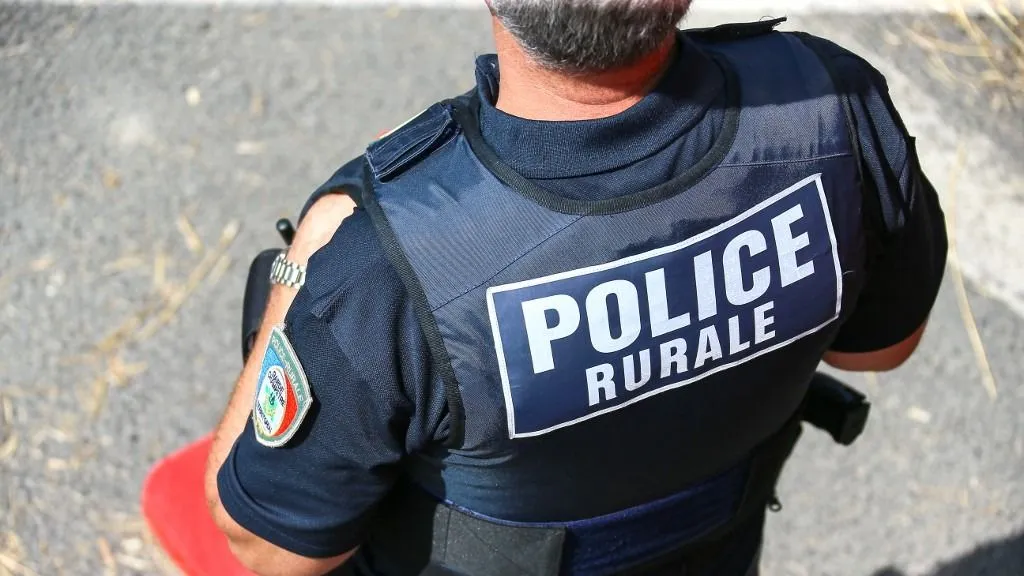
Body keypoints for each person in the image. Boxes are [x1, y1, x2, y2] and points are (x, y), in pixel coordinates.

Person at [203, 1, 949, 575]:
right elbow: (882, 347)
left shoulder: (389, 261)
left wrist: (306, 259)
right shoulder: (827, 102)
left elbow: (270, 545)